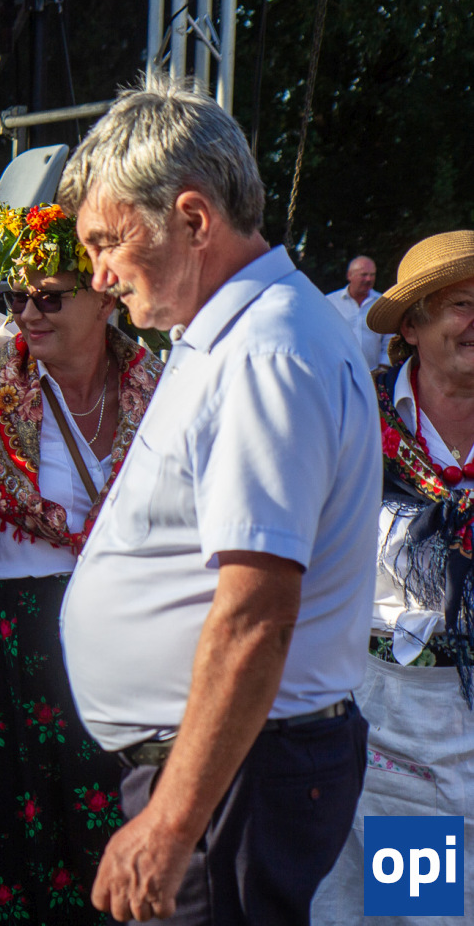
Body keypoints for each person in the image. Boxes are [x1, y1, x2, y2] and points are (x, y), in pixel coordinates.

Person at [56, 74, 378, 925]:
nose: (99, 277)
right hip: (235, 770)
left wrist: (172, 821)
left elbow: (256, 610)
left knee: (423, 896)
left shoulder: (266, 352)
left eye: (107, 243)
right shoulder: (236, 334)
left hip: (240, 778)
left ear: (194, 219)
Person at [0, 203, 161, 925]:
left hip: (124, 631)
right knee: (7, 843)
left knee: (116, 832)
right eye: (17, 297)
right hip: (5, 639)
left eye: (51, 297)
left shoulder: (161, 390)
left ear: (105, 295)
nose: (29, 313)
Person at [311, 230, 474, 923]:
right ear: (411, 326)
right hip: (399, 716)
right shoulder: (355, 415)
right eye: (463, 305)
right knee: (415, 908)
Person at [326, 254, 390, 370]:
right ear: (349, 275)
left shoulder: (382, 304)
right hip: (338, 372)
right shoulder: (331, 302)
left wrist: (383, 367)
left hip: (373, 374)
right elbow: (323, 337)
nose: (369, 279)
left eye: (372, 275)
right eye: (364, 275)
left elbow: (389, 339)